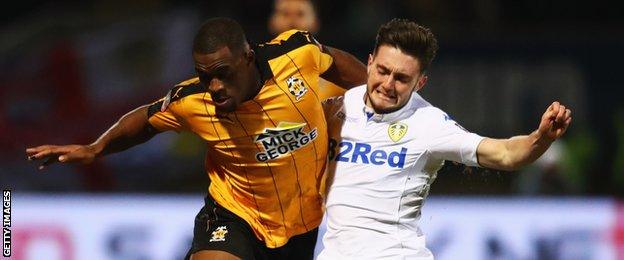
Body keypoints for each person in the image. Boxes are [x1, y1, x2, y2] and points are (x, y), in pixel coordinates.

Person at [26, 17, 366, 260]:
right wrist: (96, 148)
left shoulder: (295, 55)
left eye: (223, 74)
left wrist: (381, 97)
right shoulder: (191, 101)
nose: (215, 86)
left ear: (247, 58)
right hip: (234, 216)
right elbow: (145, 120)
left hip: (301, 224)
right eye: (206, 77)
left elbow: (334, 62)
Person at [318, 18, 572, 259]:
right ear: (370, 63)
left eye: (402, 79)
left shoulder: (428, 123)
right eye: (383, 71)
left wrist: (540, 138)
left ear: (420, 83)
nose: (388, 84)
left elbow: (505, 153)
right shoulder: (337, 107)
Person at [268, 0, 346, 101]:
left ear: (315, 22)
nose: (292, 22)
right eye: (285, 14)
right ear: (272, 21)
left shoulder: (337, 80)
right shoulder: (256, 71)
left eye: (300, 14)